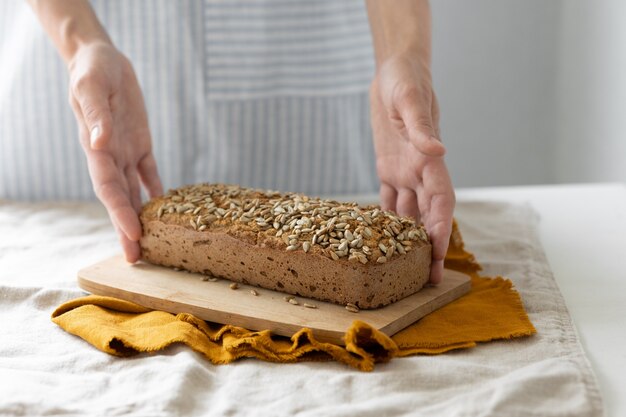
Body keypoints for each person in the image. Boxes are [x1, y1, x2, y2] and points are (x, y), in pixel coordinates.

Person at [8, 0, 454, 283]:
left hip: (294, 60)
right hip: (88, 54)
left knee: (361, 245)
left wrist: (403, 54)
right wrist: (80, 43)